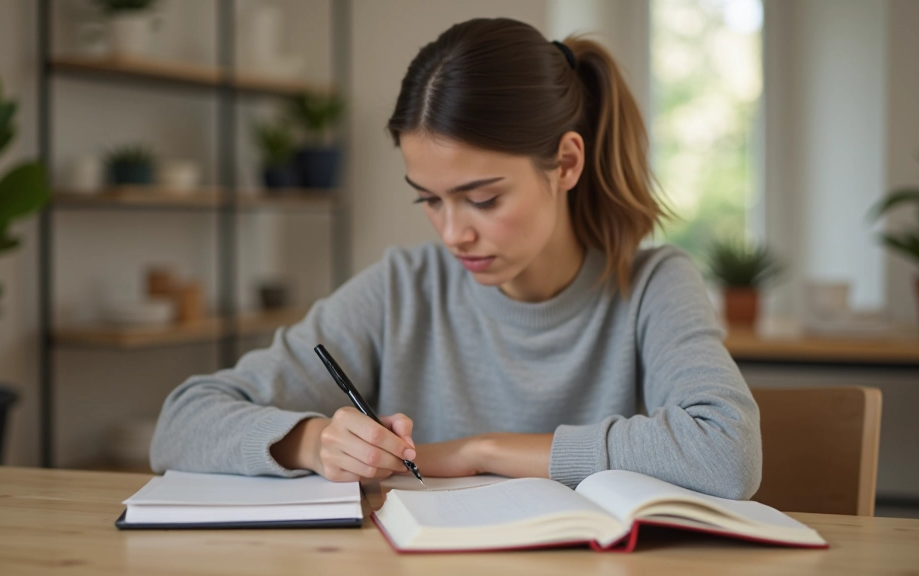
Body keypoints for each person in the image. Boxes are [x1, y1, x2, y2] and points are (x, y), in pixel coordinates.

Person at [150, 18, 762, 500]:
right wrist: (312, 442)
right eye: (429, 200)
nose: (453, 234)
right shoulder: (402, 289)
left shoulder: (653, 286)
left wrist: (480, 451)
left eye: (483, 199)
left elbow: (727, 452)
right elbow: (181, 421)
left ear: (566, 164)